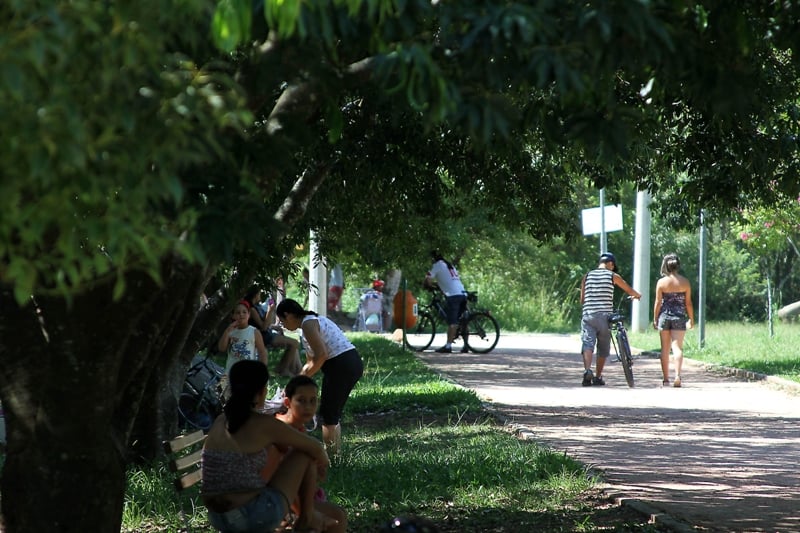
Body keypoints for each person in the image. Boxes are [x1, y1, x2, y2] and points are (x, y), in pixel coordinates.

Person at [200, 360, 330, 533]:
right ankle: (307, 518)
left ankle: (308, 516)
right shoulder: (265, 424)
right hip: (251, 516)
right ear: (262, 391)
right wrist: (321, 464)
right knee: (304, 454)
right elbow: (316, 448)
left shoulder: (221, 420)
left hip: (217, 517)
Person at [275, 299, 364, 455]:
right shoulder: (307, 325)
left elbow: (321, 355)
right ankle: (335, 454)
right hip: (345, 363)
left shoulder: (308, 324)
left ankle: (332, 457)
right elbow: (311, 362)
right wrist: (294, 385)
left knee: (328, 415)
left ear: (288, 315)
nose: (283, 326)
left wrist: (294, 384)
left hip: (341, 364)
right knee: (332, 412)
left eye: (282, 321)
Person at [261, 375, 348, 533]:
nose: (308, 406)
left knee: (337, 514)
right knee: (337, 517)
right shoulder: (280, 430)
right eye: (301, 400)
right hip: (271, 501)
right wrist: (303, 512)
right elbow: (272, 479)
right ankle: (306, 519)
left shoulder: (298, 429)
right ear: (288, 402)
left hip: (291, 499)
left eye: (313, 400)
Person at [580, 252, 641, 386]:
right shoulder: (612, 275)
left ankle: (587, 371)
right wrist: (637, 295)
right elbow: (628, 289)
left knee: (588, 343)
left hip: (588, 315)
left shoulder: (587, 276)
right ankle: (598, 376)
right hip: (605, 316)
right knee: (603, 347)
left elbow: (582, 299)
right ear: (610, 264)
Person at [653, 252, 695, 388]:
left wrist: (655, 319)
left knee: (664, 349)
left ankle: (666, 379)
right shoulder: (685, 282)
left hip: (664, 317)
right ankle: (678, 375)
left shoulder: (661, 282)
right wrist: (691, 318)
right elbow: (688, 303)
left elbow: (658, 302)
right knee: (677, 347)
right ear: (678, 266)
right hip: (679, 317)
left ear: (666, 266)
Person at [244, 285, 302, 376]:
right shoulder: (252, 309)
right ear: (255, 295)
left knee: (294, 344)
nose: (260, 295)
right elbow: (263, 327)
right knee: (294, 343)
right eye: (259, 293)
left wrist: (274, 326)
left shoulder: (257, 306)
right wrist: (270, 311)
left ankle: (298, 371)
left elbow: (264, 324)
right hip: (263, 337)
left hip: (267, 333)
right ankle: (283, 369)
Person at [424, 251, 468, 353]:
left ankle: (448, 347)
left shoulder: (437, 265)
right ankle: (466, 346)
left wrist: (430, 286)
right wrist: (439, 285)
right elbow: (449, 280)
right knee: (464, 321)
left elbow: (428, 280)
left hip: (453, 295)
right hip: (462, 293)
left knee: (453, 322)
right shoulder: (450, 265)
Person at [217, 300, 269, 374]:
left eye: (244, 312)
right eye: (238, 313)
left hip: (247, 372)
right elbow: (221, 348)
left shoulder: (254, 331)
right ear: (233, 315)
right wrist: (227, 331)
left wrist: (261, 371)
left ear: (249, 314)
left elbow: (262, 352)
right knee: (221, 386)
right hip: (230, 371)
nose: (241, 314)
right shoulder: (231, 331)